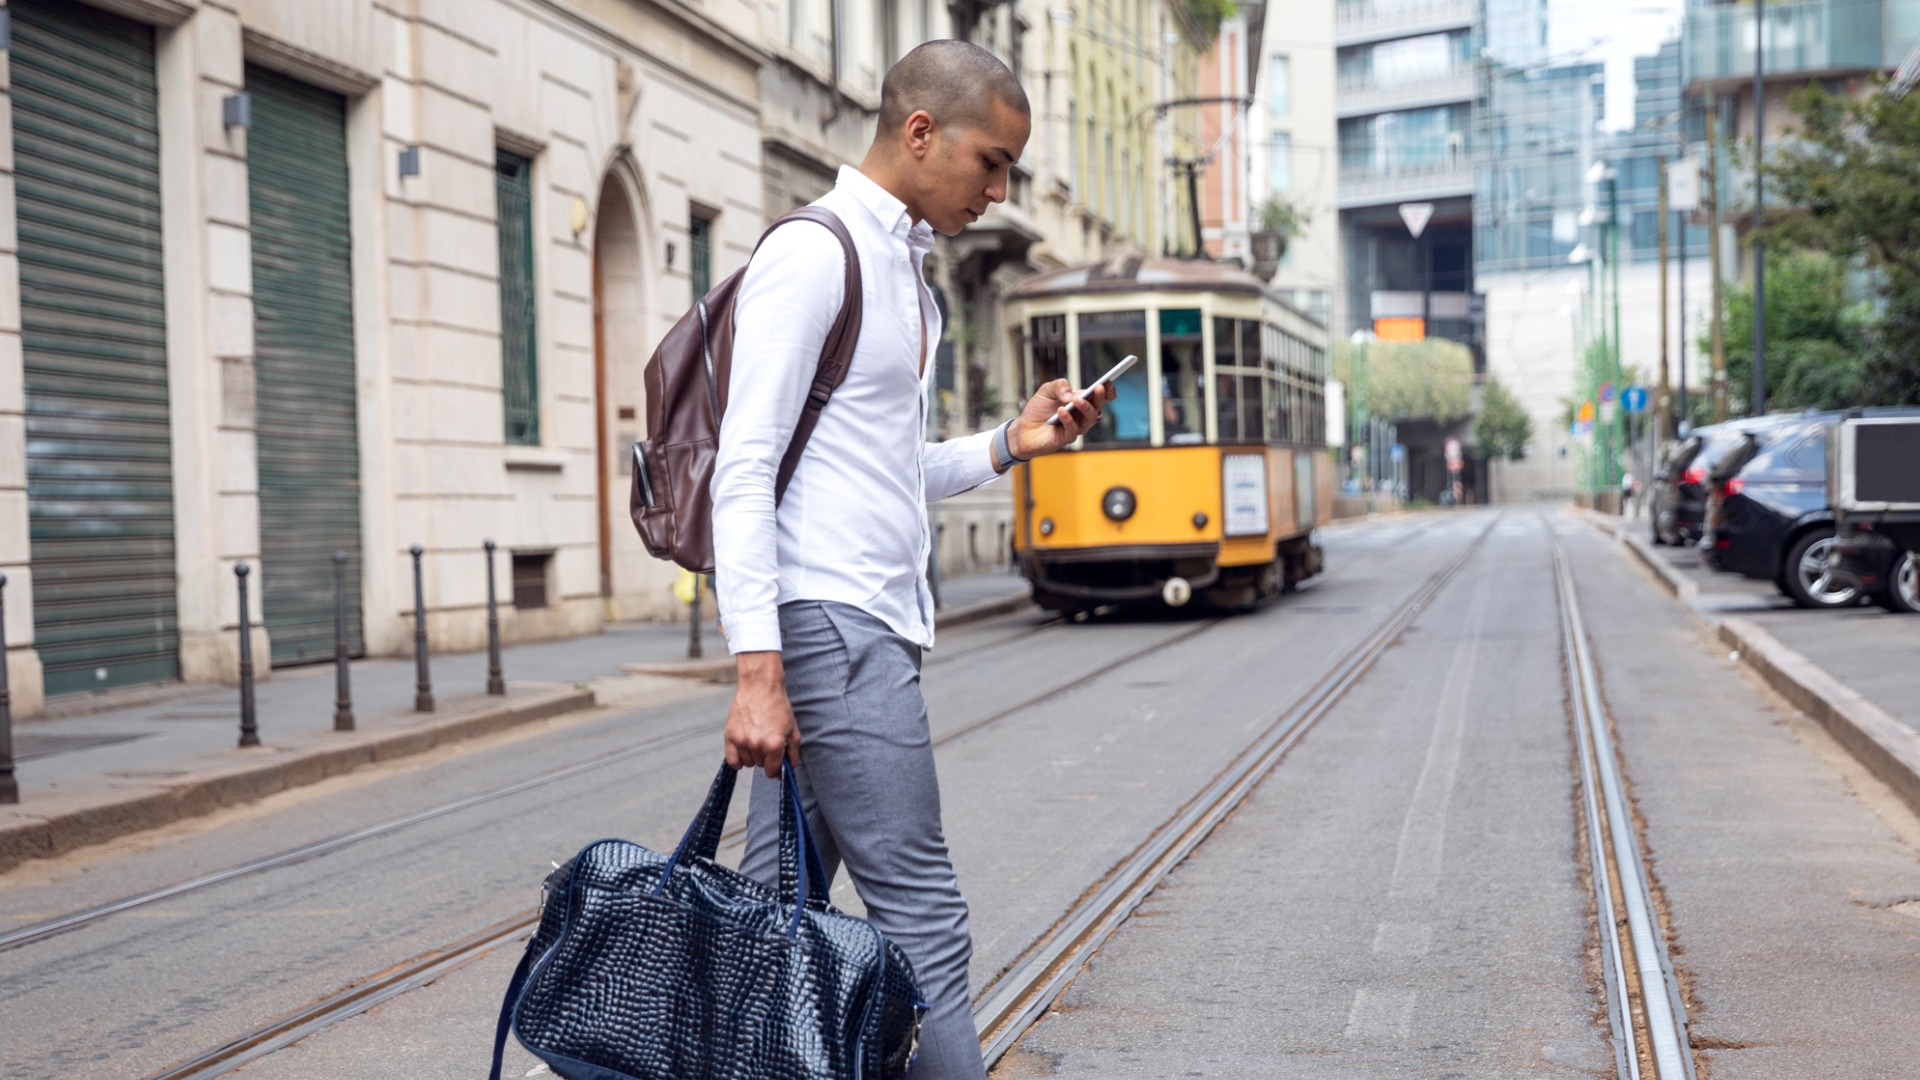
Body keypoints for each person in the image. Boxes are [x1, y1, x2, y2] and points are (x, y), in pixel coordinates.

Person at [710, 40, 1111, 1080]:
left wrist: (1008, 445)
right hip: (834, 631)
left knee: (776, 915)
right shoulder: (817, 254)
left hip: (858, 626)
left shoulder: (905, 273)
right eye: (992, 162)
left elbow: (886, 470)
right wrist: (758, 670)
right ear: (921, 133)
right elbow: (743, 469)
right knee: (924, 919)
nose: (1000, 189)